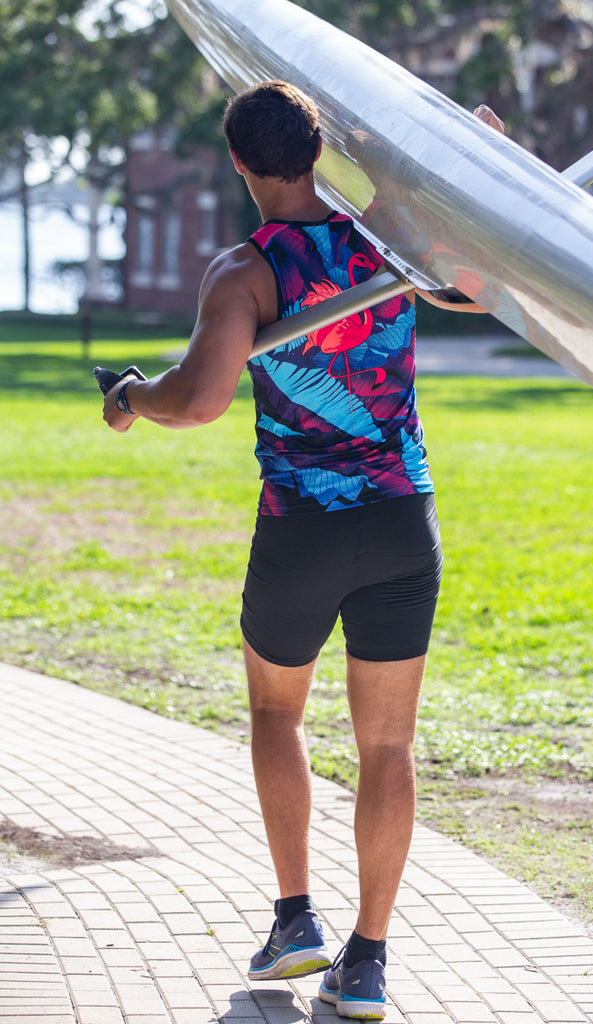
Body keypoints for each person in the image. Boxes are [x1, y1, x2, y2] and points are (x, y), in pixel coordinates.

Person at [103, 81, 504, 1019]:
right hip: (402, 520)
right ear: (318, 150)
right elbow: (473, 290)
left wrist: (131, 399)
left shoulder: (245, 270)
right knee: (388, 742)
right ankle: (366, 962)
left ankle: (295, 922)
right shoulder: (385, 238)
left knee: (277, 713)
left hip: (302, 529)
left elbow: (197, 399)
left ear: (238, 161)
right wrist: (472, 178)